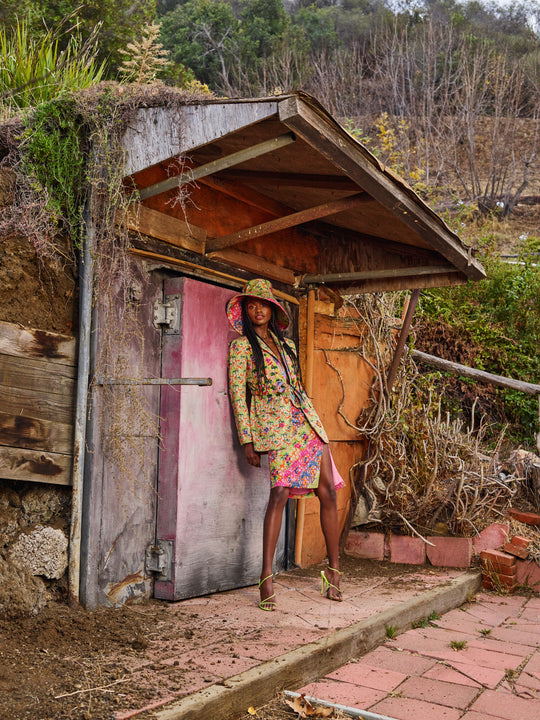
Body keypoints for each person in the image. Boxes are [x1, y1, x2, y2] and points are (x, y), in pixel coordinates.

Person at [226, 278, 345, 611]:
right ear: (245, 311)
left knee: (328, 493)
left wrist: (310, 421)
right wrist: (247, 439)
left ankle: (334, 572)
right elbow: (238, 394)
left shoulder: (288, 346)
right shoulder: (241, 348)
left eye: (262, 304)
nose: (257, 310)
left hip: (305, 423)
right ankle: (266, 576)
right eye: (250, 305)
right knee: (279, 493)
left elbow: (298, 387)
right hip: (275, 428)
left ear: (272, 309)